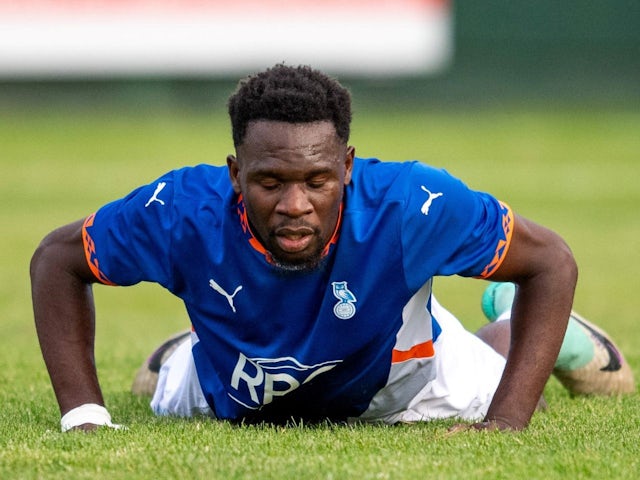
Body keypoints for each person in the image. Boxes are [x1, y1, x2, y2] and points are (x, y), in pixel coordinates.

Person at [30, 64, 634, 433]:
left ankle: (513, 324)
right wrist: (83, 415)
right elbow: (56, 260)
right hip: (234, 389)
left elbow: (550, 260)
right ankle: (186, 352)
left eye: (316, 181)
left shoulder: (409, 204)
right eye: (270, 183)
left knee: (509, 378)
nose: (295, 205)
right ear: (235, 173)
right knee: (159, 393)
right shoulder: (181, 210)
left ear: (346, 167)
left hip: (405, 386)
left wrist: (505, 425)